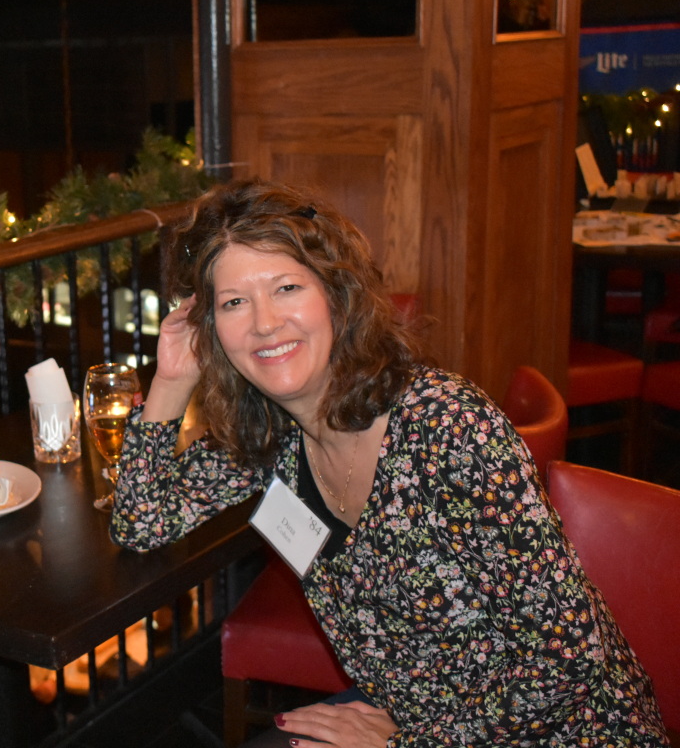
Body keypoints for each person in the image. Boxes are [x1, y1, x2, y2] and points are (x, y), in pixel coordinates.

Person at [111, 180, 669, 747]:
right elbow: (142, 522)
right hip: (411, 715)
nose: (264, 322)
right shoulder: (271, 433)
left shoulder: (446, 428)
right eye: (233, 302)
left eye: (286, 287)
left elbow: (568, 661)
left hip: (559, 733)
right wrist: (172, 382)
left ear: (335, 294)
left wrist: (406, 743)